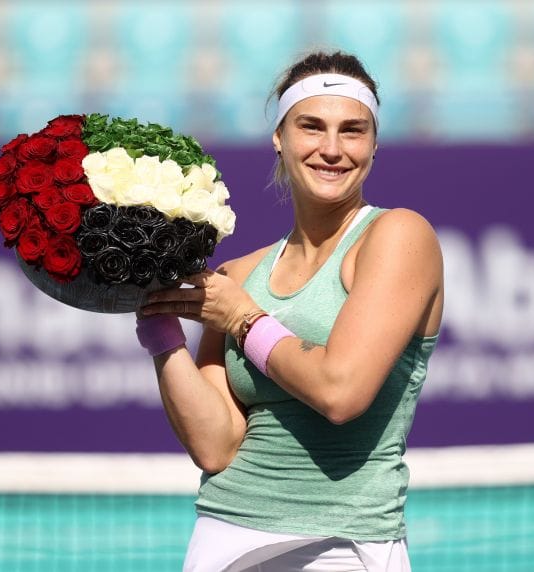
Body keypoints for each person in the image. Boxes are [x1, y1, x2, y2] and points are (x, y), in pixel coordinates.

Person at [136, 50, 444, 572]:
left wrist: (243, 321)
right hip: (223, 537)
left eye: (352, 130)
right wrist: (158, 322)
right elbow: (216, 447)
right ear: (279, 137)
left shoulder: (399, 236)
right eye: (311, 126)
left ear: (373, 146)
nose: (331, 149)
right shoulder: (239, 275)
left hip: (343, 546)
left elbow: (340, 392)